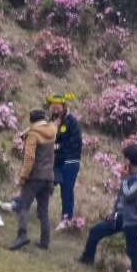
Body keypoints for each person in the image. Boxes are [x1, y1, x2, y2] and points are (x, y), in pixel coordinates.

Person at [79, 145, 137, 272]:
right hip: (120, 217)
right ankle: (86, 260)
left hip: (133, 220)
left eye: (125, 159)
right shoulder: (130, 174)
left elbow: (129, 195)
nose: (123, 161)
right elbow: (121, 197)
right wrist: (114, 213)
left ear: (128, 161)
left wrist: (124, 180)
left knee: (133, 250)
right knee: (96, 232)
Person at [8, 109, 59, 252]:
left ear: (32, 121)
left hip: (35, 176)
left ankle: (22, 235)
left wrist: (23, 177)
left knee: (23, 205)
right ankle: (45, 241)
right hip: (48, 176)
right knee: (43, 211)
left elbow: (29, 159)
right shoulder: (52, 132)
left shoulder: (33, 134)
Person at [49, 93, 84, 229]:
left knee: (67, 190)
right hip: (56, 161)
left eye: (58, 107)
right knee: (41, 182)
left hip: (70, 162)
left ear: (64, 107)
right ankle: (22, 204)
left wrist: (56, 147)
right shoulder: (53, 121)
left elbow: (74, 144)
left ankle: (67, 219)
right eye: (53, 107)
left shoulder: (72, 122)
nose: (55, 110)